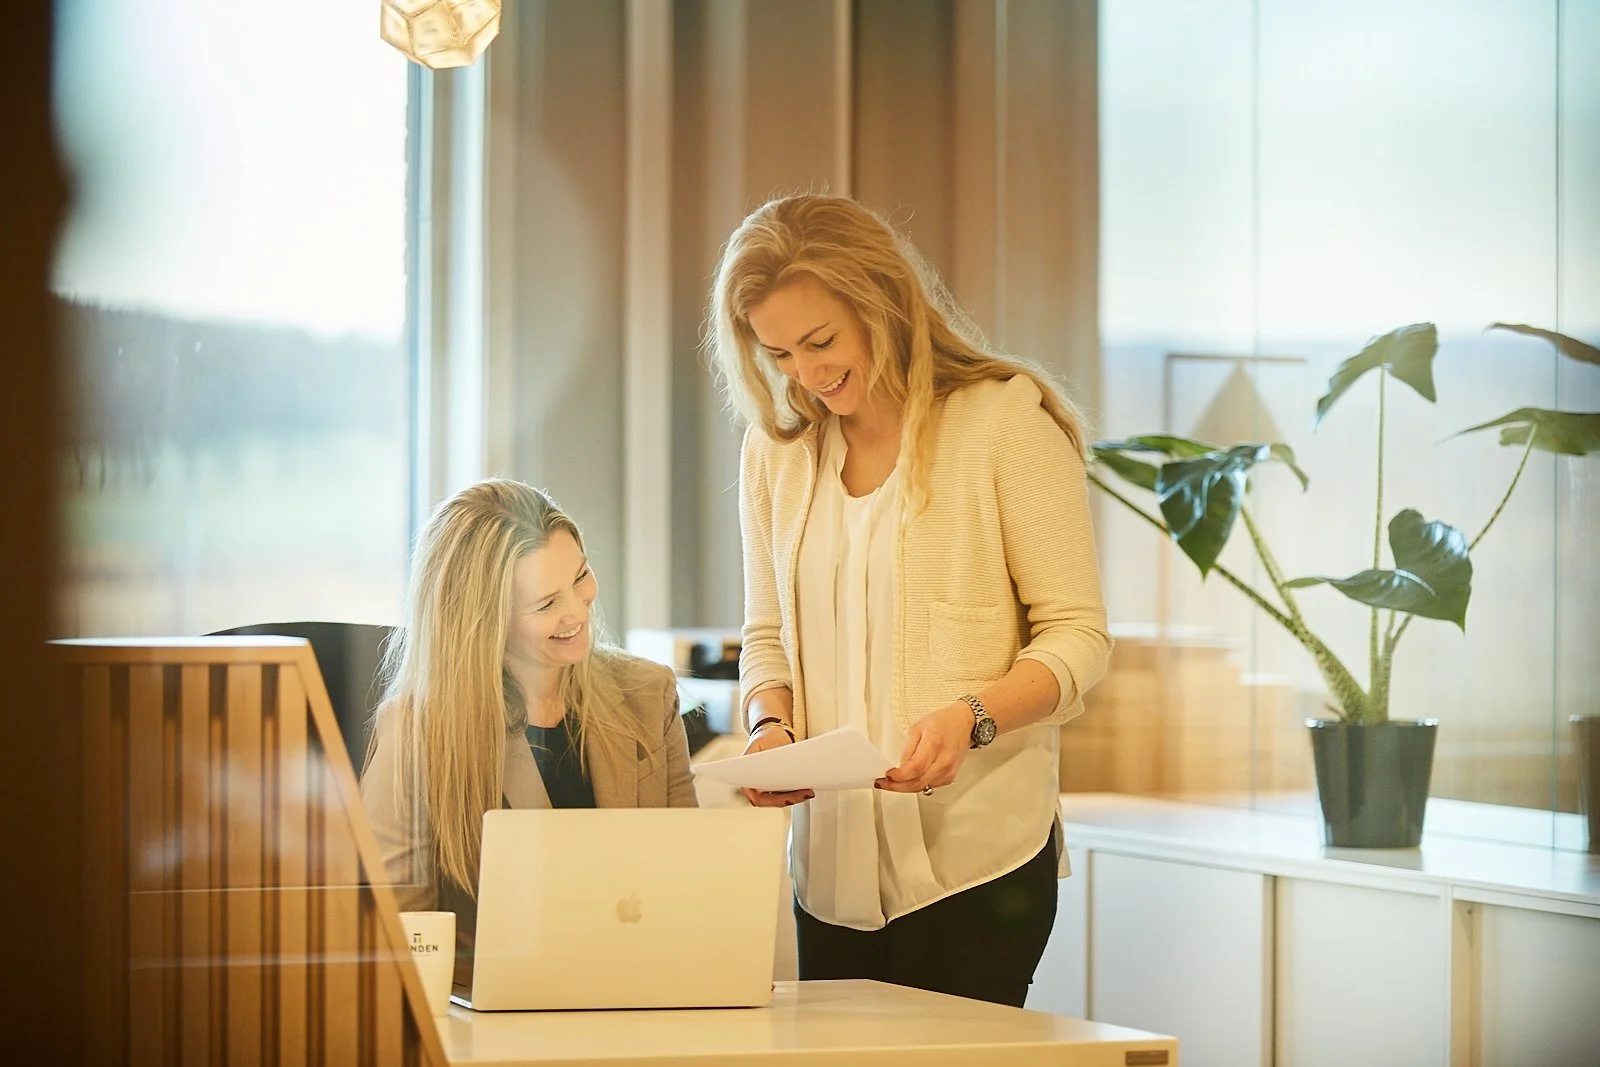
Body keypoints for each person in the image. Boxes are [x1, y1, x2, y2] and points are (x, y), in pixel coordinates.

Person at [707, 193, 1112, 1008]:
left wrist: (974, 715)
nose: (807, 374)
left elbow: (1078, 637)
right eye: (779, 353)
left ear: (882, 303)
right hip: (828, 874)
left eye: (821, 341)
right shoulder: (776, 455)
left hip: (978, 867)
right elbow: (765, 636)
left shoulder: (1003, 423)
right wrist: (770, 727)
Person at [361, 478, 697, 985]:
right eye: (545, 604)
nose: (577, 611)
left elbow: (689, 885)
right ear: (482, 620)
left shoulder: (648, 694)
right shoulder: (420, 729)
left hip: (637, 996)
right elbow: (394, 936)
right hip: (493, 1022)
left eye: (581, 577)